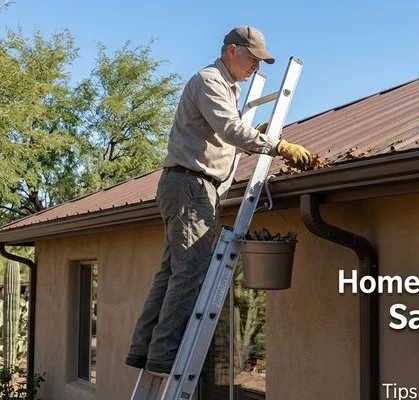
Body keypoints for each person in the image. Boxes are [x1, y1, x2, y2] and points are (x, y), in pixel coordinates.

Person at [125, 26, 312, 376]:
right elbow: (229, 130)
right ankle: (164, 355)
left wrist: (258, 135)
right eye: (252, 58)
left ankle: (144, 349)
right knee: (189, 274)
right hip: (191, 186)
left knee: (171, 272)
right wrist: (278, 146)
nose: (256, 67)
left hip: (190, 187)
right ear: (231, 50)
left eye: (260, 61)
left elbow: (226, 137)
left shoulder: (228, 88)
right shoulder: (210, 81)